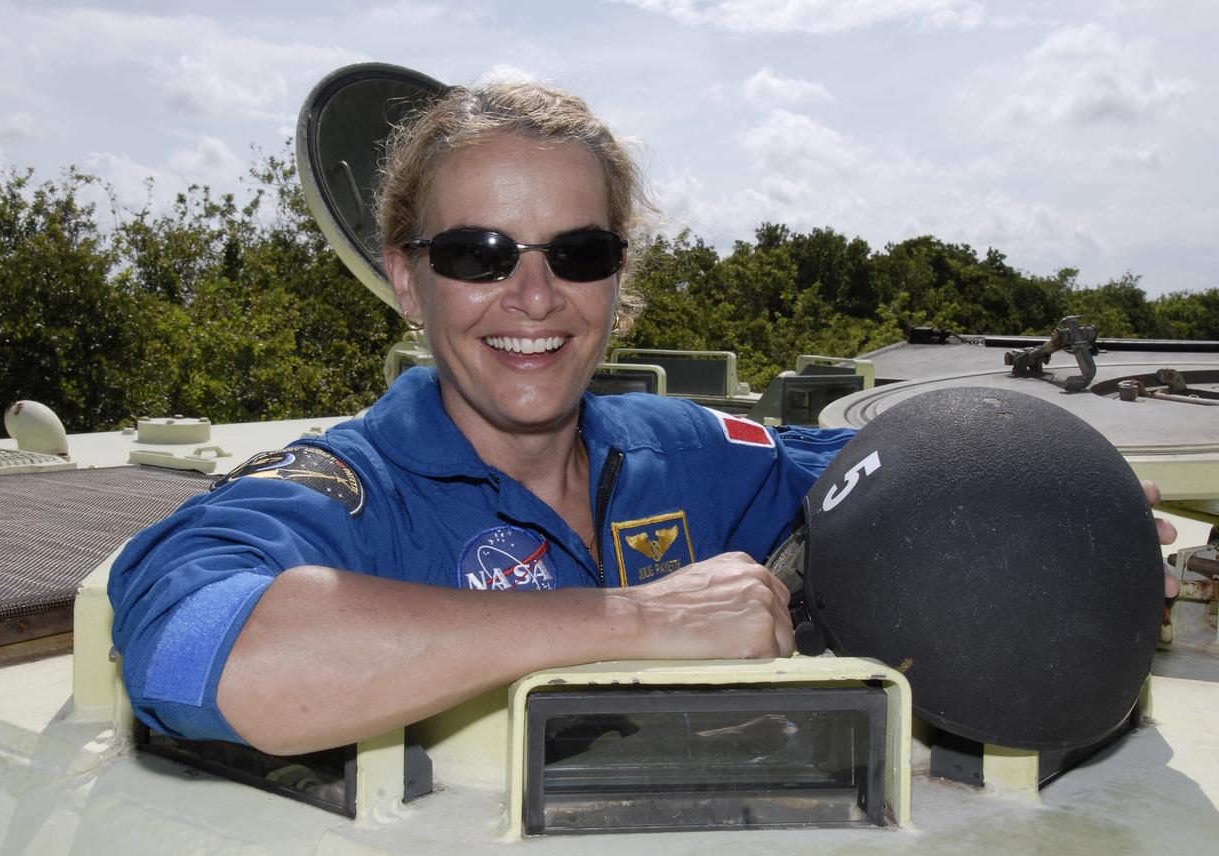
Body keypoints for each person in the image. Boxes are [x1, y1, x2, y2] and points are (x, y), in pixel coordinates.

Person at [108, 81, 1176, 757]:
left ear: (619, 280)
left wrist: (1057, 501)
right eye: (477, 255)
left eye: (577, 253)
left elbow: (889, 459)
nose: (533, 297)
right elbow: (192, 651)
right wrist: (638, 621)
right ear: (404, 277)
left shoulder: (686, 451)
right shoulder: (345, 490)